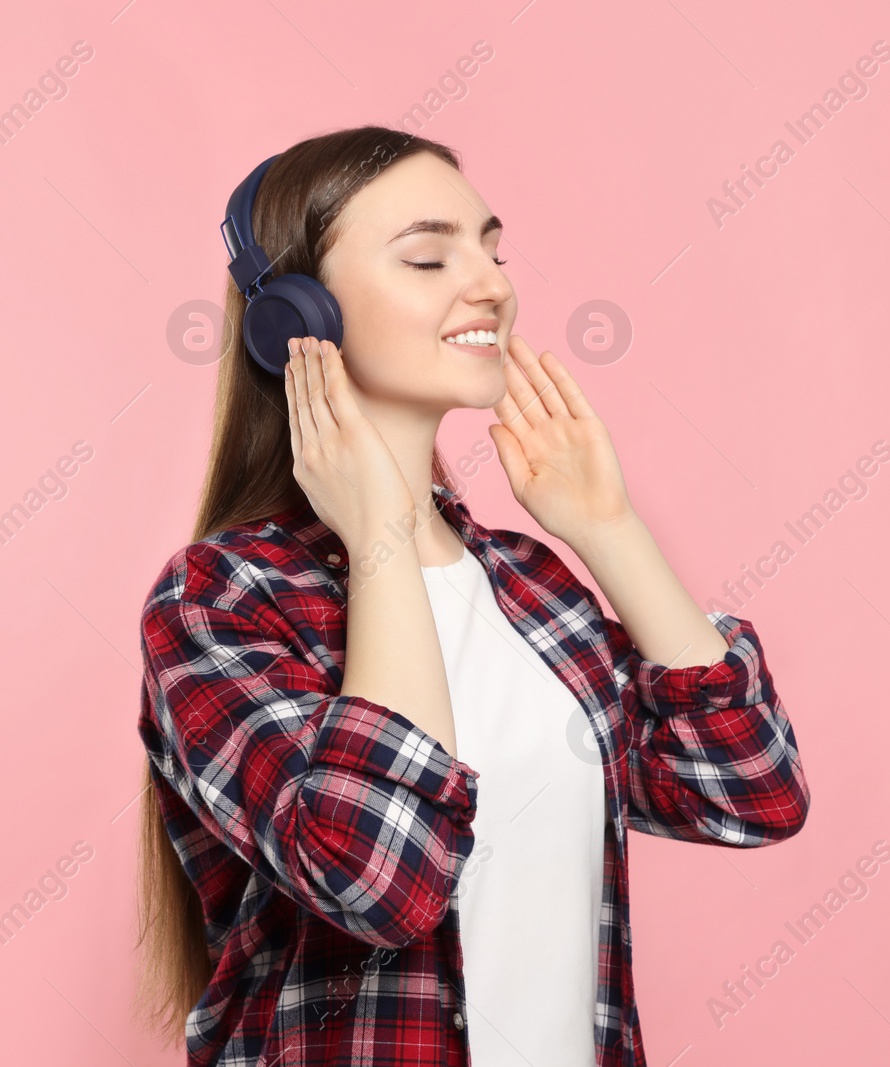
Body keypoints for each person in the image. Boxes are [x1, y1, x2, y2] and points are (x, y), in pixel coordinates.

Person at [132, 125, 810, 1067]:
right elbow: (380, 882)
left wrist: (609, 530)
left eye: (491, 248)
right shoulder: (221, 601)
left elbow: (749, 789)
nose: (492, 283)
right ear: (295, 318)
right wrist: (379, 543)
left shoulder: (531, 588)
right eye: (427, 255)